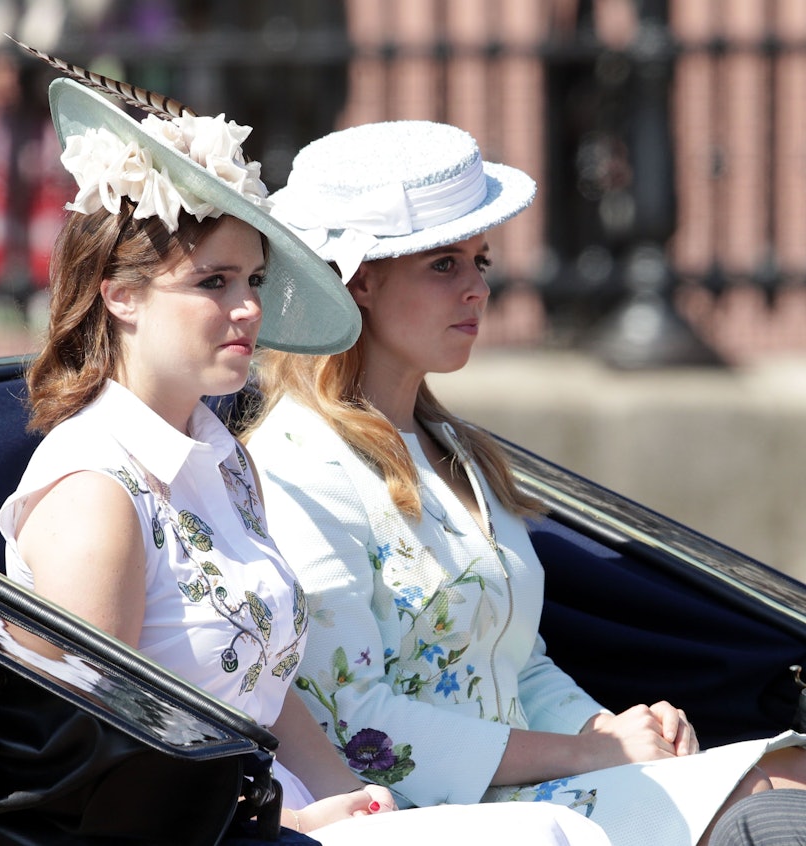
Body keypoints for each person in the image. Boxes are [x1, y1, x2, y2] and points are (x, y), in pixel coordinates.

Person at [0, 65, 613, 845]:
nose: (249, 306)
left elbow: (269, 686)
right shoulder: (96, 489)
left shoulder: (222, 460)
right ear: (122, 296)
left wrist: (351, 796)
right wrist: (287, 818)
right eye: (213, 281)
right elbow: (111, 750)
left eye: (253, 278)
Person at [242, 119, 806, 846]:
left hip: (529, 788)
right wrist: (589, 753)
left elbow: (519, 663)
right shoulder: (295, 461)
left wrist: (611, 729)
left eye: (480, 260)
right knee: (774, 794)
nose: (479, 287)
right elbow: (356, 723)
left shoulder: (458, 450)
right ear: (360, 283)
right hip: (421, 814)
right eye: (443, 264)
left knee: (788, 770)